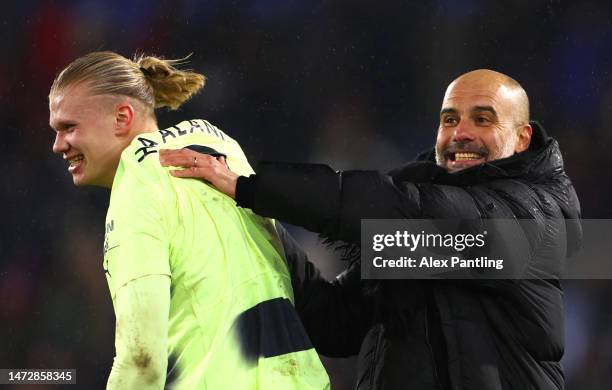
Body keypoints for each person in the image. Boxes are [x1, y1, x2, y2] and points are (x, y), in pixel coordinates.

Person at [159, 69, 582, 390]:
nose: (461, 134)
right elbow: (337, 322)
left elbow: (404, 210)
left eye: (483, 119)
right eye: (449, 119)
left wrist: (251, 186)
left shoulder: (535, 218)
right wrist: (266, 229)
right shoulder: (426, 235)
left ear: (522, 138)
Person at [48, 51, 330, 390]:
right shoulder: (221, 150)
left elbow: (141, 360)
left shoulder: (138, 187)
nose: (57, 145)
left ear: (122, 117)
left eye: (69, 128)